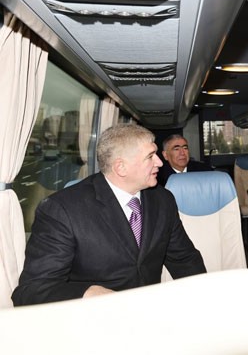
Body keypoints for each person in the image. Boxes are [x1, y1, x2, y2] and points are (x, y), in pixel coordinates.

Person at [12, 124, 206, 306]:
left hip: (148, 310)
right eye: (150, 156)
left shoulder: (163, 200)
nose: (159, 162)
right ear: (121, 167)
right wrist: (88, 293)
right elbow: (32, 290)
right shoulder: (62, 210)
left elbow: (184, 259)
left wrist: (205, 299)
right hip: (94, 316)